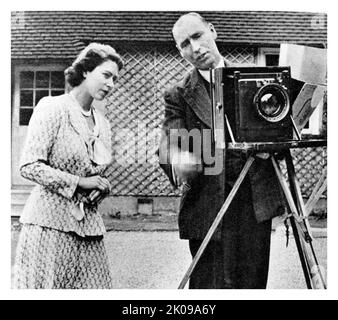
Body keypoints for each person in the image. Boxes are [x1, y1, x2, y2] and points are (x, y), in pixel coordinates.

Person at [158, 13, 285, 289]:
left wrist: (270, 146)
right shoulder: (178, 94)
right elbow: (171, 143)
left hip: (253, 207)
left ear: (212, 31)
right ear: (180, 52)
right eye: (185, 45)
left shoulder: (255, 80)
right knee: (210, 288)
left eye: (197, 36)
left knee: (251, 286)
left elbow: (282, 130)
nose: (194, 48)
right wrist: (180, 157)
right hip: (208, 209)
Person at [13, 43, 124, 289]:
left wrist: (101, 187)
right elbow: (29, 165)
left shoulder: (103, 124)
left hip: (89, 227)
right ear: (85, 71)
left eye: (115, 79)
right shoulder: (53, 108)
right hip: (49, 224)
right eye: (106, 75)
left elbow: (95, 173)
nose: (111, 84)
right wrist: (79, 183)